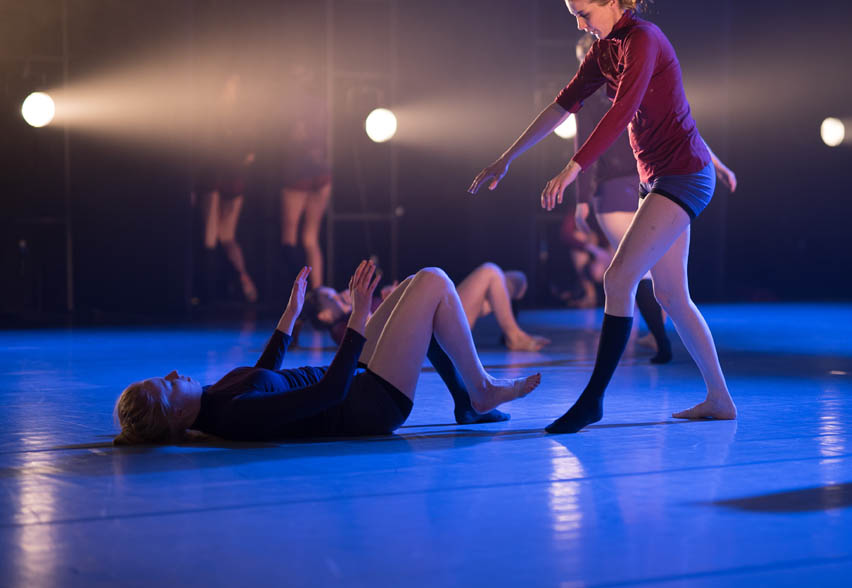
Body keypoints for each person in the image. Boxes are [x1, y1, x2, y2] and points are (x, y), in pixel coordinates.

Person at [470, 0, 736, 433]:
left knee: (618, 279)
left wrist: (573, 168)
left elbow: (622, 111)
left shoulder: (643, 39)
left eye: (584, 14)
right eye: (574, 16)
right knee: (672, 295)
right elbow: (561, 105)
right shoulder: (604, 49)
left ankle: (592, 401)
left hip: (683, 175)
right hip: (659, 177)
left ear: (612, 2)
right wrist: (506, 157)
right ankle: (720, 399)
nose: (580, 25)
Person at [113, 263, 541, 444]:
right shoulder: (233, 417)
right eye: (167, 384)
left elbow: (261, 376)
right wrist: (358, 315)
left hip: (359, 381)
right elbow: (329, 394)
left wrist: (290, 314)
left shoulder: (214, 399)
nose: (174, 373)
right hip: (372, 404)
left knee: (415, 285)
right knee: (434, 282)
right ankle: (480, 391)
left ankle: (467, 401)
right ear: (176, 415)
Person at [570, 32, 738, 364]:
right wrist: (581, 197)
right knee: (643, 275)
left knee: (643, 276)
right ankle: (659, 339)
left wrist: (582, 199)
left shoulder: (636, 82)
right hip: (635, 186)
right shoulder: (604, 93)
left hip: (645, 185)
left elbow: (682, 128)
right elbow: (586, 145)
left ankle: (660, 341)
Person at [303, 263, 550, 353]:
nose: (340, 294)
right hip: (435, 328)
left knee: (515, 280)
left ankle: (509, 331)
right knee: (490, 272)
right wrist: (388, 302)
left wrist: (394, 296)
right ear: (324, 315)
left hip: (432, 316)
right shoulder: (343, 327)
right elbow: (374, 339)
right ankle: (514, 336)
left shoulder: (356, 308)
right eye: (332, 298)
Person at [196, 72, 259, 303]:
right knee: (225, 236)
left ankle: (208, 293)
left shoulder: (215, 114)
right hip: (230, 175)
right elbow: (250, 155)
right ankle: (240, 280)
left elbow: (205, 149)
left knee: (212, 237)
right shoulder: (241, 116)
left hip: (217, 175)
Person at [280, 63, 331, 288]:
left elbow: (295, 137)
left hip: (298, 171)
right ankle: (317, 292)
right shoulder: (323, 105)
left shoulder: (290, 106)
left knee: (289, 236)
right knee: (311, 238)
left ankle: (300, 293)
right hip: (321, 171)